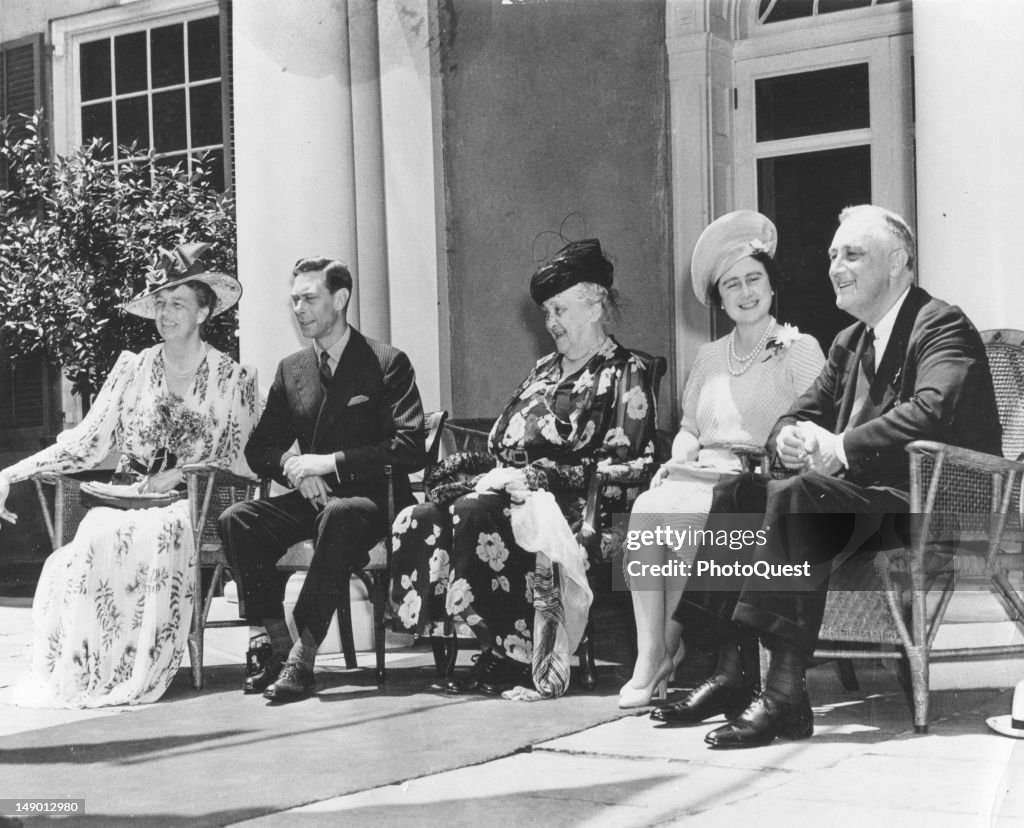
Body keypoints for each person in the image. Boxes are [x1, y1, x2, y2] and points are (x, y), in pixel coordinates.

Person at [655, 204, 1001, 748]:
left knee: (801, 497)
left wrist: (840, 446)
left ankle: (785, 695)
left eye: (853, 255)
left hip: (932, 509)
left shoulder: (940, 324)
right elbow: (798, 413)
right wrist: (788, 437)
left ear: (898, 263)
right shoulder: (849, 342)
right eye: (833, 255)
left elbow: (933, 409)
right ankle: (730, 671)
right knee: (738, 491)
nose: (836, 267)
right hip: (866, 505)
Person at [391, 238, 657, 696]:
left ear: (595, 306)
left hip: (571, 504)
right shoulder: (544, 369)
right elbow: (505, 438)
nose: (551, 322)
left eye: (560, 310)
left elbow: (627, 462)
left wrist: (540, 477)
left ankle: (512, 654)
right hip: (509, 492)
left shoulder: (623, 371)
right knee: (421, 516)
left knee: (474, 511)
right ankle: (485, 640)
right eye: (547, 312)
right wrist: (489, 474)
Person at [0, 243, 257, 707]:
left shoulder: (231, 378)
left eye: (178, 303)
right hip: (126, 496)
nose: (166, 313)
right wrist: (10, 473)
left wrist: (181, 474)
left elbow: (240, 459)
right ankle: (97, 670)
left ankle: (138, 667)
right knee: (93, 535)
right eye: (160, 303)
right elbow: (85, 441)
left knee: (156, 533)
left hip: (189, 507)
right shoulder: (134, 369)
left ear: (203, 311)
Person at [620, 211, 824, 709]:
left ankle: (666, 652)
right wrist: (680, 455)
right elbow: (690, 428)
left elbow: (819, 428)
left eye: (754, 279)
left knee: (687, 517)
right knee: (647, 509)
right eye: (732, 284)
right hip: (699, 471)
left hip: (752, 487)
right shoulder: (710, 356)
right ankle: (652, 654)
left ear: (771, 286)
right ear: (719, 297)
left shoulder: (799, 349)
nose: (745, 292)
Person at [219, 257, 425, 704]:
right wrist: (295, 469)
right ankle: (278, 645)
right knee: (238, 519)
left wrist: (328, 464)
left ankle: (303, 656)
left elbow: (410, 446)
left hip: (373, 500)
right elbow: (261, 448)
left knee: (340, 513)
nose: (299, 309)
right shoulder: (292, 369)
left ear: (341, 298)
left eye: (309, 298)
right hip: (313, 497)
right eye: (294, 300)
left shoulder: (386, 362)